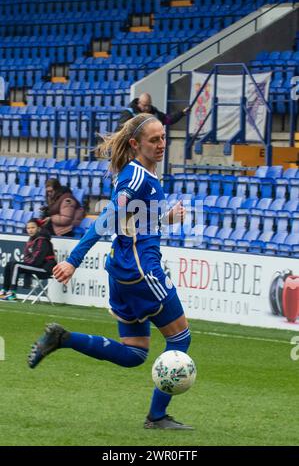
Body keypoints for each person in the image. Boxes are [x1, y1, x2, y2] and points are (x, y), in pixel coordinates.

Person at [27, 113, 193, 430]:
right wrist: (73, 259)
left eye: (163, 138)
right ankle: (157, 417)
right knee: (180, 339)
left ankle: (63, 339)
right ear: (135, 144)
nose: (162, 144)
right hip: (144, 271)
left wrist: (165, 220)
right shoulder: (136, 179)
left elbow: (132, 223)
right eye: (154, 140)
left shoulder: (138, 174)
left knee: (134, 353)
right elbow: (107, 220)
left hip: (122, 271)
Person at [0, 219, 57, 301]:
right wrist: (27, 263)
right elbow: (26, 257)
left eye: (33, 227)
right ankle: (4, 291)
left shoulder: (42, 240)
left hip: (46, 269)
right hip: (37, 266)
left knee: (16, 265)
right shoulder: (31, 240)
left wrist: (27, 264)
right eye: (28, 228)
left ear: (38, 228)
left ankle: (12, 293)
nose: (30, 230)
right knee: (9, 264)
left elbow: (37, 260)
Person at [115, 92, 189, 131]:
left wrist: (182, 113)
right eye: (144, 105)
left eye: (149, 105)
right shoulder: (128, 113)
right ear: (139, 103)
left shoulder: (154, 114)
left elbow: (168, 120)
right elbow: (120, 130)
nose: (147, 108)